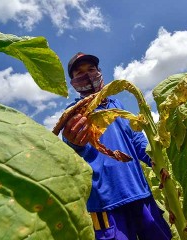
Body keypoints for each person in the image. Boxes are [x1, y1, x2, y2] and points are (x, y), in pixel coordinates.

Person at [61, 52, 172, 240]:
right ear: (73, 82)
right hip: (105, 203)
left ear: (99, 72)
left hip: (139, 192)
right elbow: (73, 147)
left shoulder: (116, 104)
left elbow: (137, 140)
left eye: (91, 69)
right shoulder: (74, 112)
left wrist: (157, 158)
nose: (87, 75)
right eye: (79, 73)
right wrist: (74, 143)